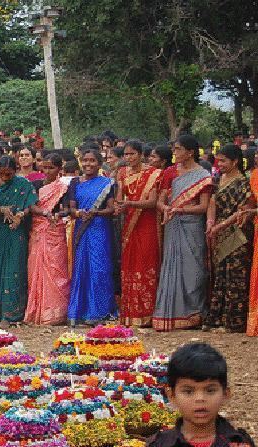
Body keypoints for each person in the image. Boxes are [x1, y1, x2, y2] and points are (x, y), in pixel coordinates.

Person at [153, 135, 212, 332]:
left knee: (193, 268)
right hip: (173, 223)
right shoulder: (170, 172)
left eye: (178, 149)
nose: (175, 153)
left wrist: (180, 210)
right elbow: (160, 200)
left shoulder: (203, 175)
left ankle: (194, 313)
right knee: (172, 265)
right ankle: (173, 314)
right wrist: (166, 208)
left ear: (190, 152)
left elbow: (203, 206)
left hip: (192, 225)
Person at [147, 343, 254, 447]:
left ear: (225, 394)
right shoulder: (160, 444)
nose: (200, 399)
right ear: (171, 395)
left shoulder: (239, 443)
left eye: (210, 390)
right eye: (188, 392)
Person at [114, 140, 162, 327]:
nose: (129, 158)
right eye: (126, 155)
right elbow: (120, 197)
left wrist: (130, 204)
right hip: (129, 224)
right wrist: (119, 207)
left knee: (146, 262)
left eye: (132, 154)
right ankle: (131, 313)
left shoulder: (153, 174)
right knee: (130, 264)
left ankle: (148, 313)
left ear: (141, 154)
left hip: (147, 224)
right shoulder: (122, 173)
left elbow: (152, 202)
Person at [204, 145, 251, 333]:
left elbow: (242, 210)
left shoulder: (243, 183)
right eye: (218, 160)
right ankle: (218, 319)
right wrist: (210, 222)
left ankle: (234, 322)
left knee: (235, 275)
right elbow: (212, 203)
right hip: (218, 231)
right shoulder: (218, 179)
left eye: (223, 160)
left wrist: (219, 226)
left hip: (237, 233)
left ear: (235, 161)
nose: (219, 164)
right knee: (220, 274)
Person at [68, 149, 117, 325]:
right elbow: (72, 208)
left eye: (92, 161)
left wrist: (95, 212)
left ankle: (99, 312)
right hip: (82, 228)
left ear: (99, 163)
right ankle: (78, 312)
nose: (88, 164)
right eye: (85, 160)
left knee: (99, 269)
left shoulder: (107, 183)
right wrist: (79, 212)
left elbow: (111, 209)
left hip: (99, 229)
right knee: (81, 268)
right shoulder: (74, 182)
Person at [0, 156, 36, 325]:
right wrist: (2, 209)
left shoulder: (24, 185)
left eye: (8, 174)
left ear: (15, 171)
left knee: (14, 270)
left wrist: (19, 215)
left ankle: (13, 314)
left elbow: (30, 206)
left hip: (17, 232)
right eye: (2, 174)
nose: (5, 177)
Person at [26, 153, 70, 325]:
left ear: (59, 169)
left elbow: (67, 208)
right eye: (44, 167)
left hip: (55, 230)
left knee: (55, 269)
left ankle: (55, 312)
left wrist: (58, 214)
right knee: (35, 268)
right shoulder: (35, 185)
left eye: (51, 167)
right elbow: (31, 206)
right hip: (38, 230)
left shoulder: (63, 187)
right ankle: (38, 310)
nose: (47, 171)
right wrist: (45, 213)